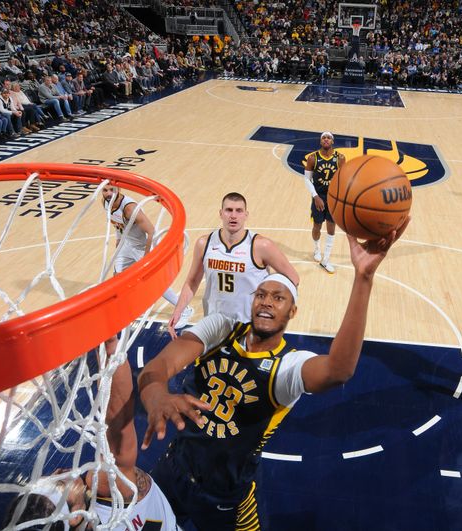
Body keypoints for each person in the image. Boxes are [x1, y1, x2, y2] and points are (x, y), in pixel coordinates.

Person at [138, 218, 409, 530]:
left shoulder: (287, 367)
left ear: (292, 312)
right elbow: (159, 367)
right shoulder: (221, 328)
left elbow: (338, 369)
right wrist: (156, 393)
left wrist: (363, 278)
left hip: (225, 497)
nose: (267, 302)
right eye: (261, 294)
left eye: (278, 298)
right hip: (172, 470)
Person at [3, 340, 180, 530]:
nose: (57, 472)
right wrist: (108, 342)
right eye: (59, 483)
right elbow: (117, 412)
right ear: (75, 515)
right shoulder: (111, 489)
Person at [167, 192, 299, 338]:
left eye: (239, 211)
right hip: (213, 324)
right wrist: (178, 311)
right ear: (221, 213)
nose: (233, 215)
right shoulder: (204, 244)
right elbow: (192, 282)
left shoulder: (261, 245)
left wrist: (275, 310)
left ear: (246, 215)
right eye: (229, 210)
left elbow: (293, 278)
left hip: (250, 327)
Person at [101, 184, 192, 329]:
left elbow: (151, 231)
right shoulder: (106, 203)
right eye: (105, 190)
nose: (108, 193)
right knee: (118, 277)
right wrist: (118, 241)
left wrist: (147, 256)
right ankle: (126, 310)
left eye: (112, 189)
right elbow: (118, 225)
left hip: (143, 247)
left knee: (157, 283)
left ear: (119, 190)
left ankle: (185, 309)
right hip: (127, 244)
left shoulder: (130, 209)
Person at [304, 132, 346, 273]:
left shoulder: (340, 158)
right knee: (317, 225)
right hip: (319, 196)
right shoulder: (312, 158)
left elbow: (343, 178)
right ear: (320, 141)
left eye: (328, 138)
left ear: (332, 141)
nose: (326, 139)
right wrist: (315, 196)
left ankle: (326, 260)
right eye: (323, 137)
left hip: (333, 197)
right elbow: (307, 179)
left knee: (331, 226)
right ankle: (317, 249)